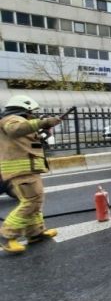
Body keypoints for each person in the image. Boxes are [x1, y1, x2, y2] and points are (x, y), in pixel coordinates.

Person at [0, 95, 62, 253]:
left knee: (36, 200)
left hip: (28, 168)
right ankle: (7, 235)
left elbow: (26, 140)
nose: (32, 115)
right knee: (31, 201)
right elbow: (15, 130)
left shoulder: (19, 121)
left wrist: (41, 134)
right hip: (21, 170)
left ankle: (35, 233)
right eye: (31, 112)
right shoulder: (11, 119)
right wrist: (43, 122)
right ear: (23, 109)